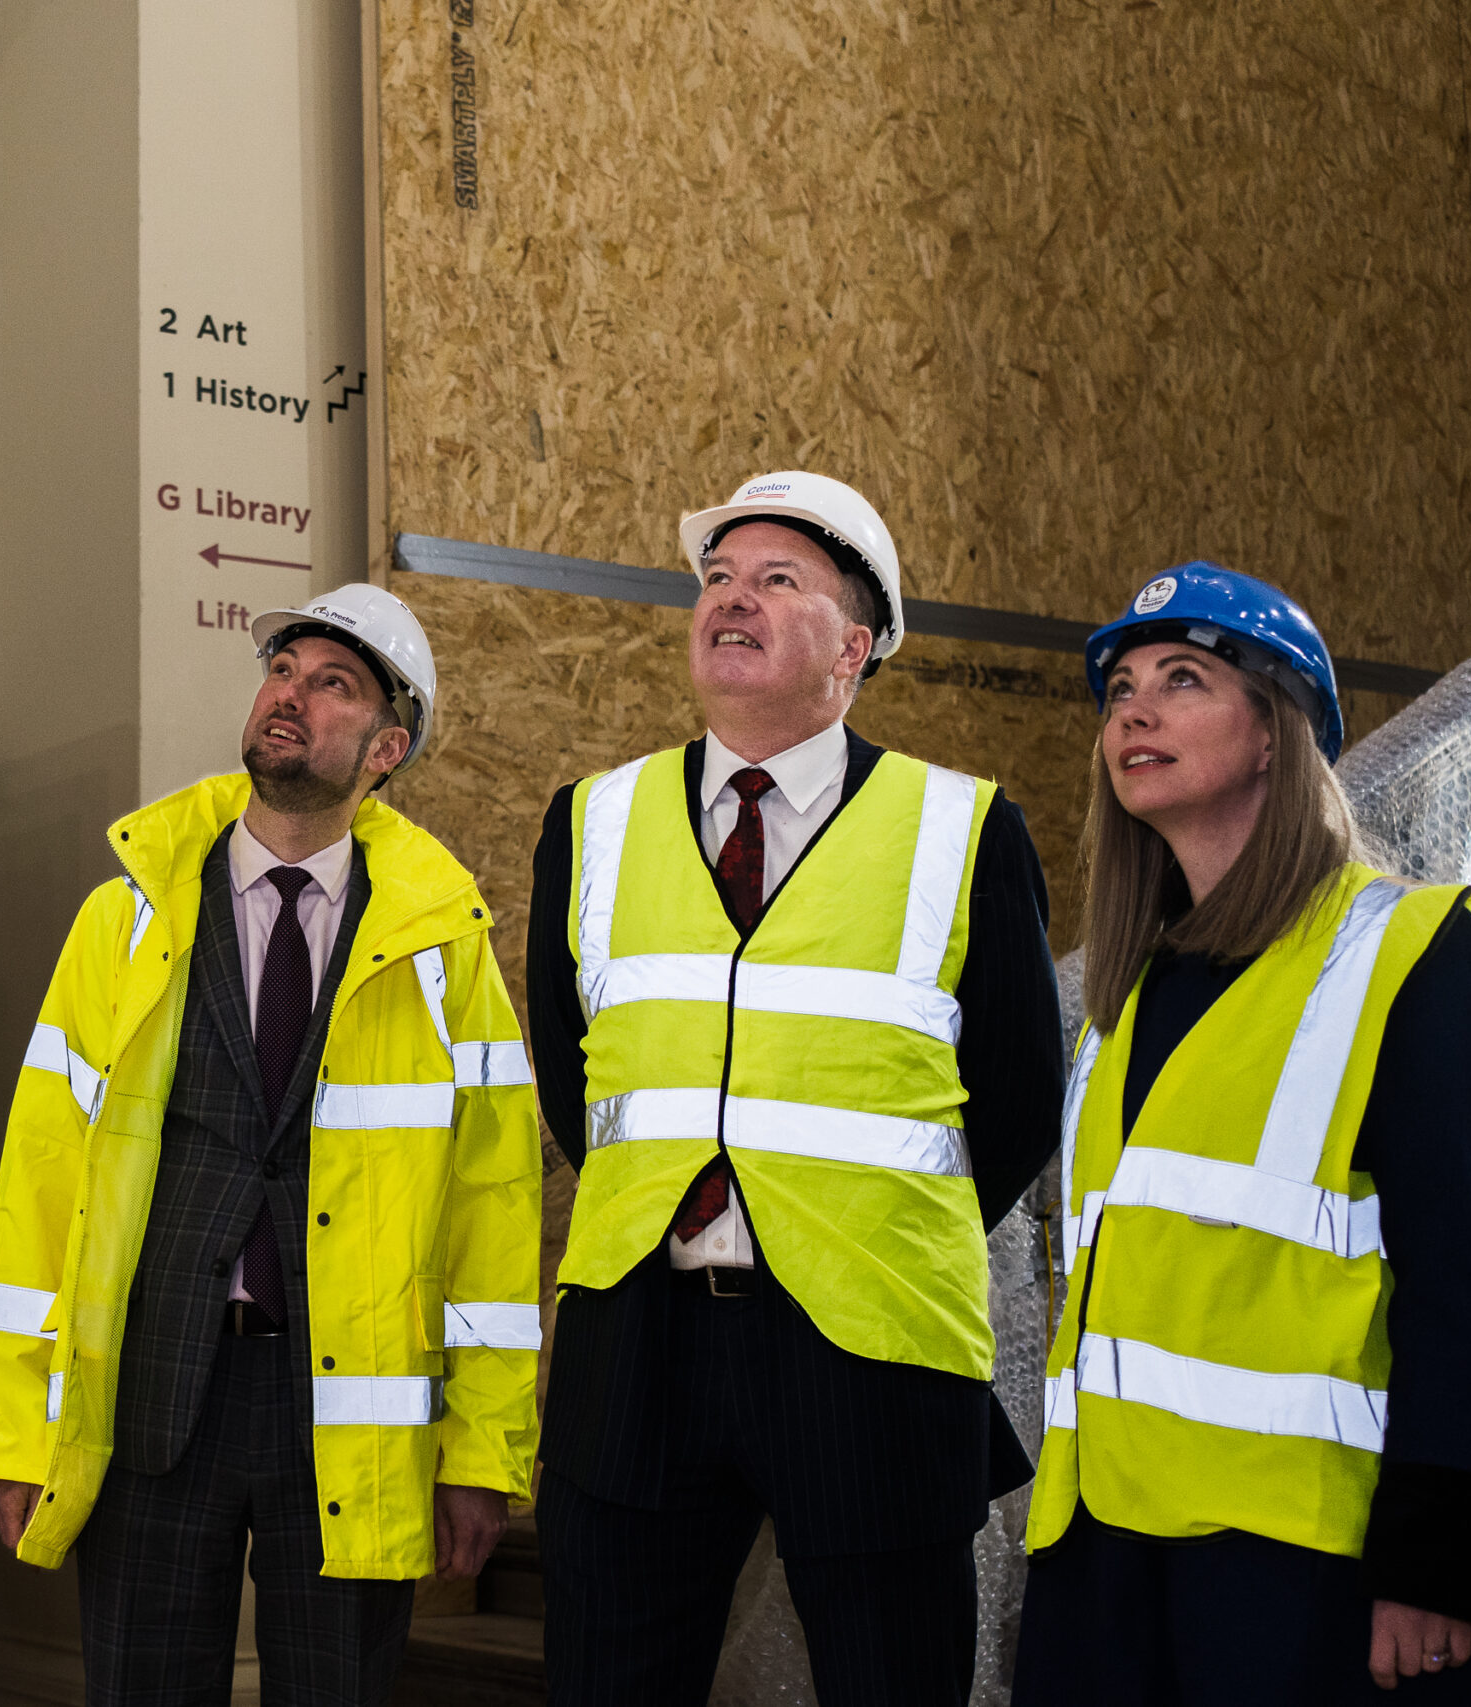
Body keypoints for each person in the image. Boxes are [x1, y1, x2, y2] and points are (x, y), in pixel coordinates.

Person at [527, 472, 1066, 1707]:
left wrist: (855, 1223)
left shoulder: (964, 829)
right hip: (640, 1339)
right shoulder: (589, 820)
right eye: (716, 578)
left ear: (855, 647)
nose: (731, 598)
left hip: (870, 1346)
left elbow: (1020, 1100)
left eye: (777, 580)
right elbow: (580, 1083)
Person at [0, 584, 542, 1707]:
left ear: (386, 748)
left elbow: (492, 1208)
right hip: (152, 1393)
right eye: (284, 670)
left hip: (347, 1415)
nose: (292, 695)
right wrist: (12, 1425)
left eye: (334, 684)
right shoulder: (123, 917)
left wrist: (481, 1450)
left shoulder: (440, 951)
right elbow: (42, 1180)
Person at [1014, 564, 1471, 1704]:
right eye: (1120, 693)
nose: (1133, 712)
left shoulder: (1406, 953)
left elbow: (1462, 1286)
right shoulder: (1130, 995)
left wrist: (1435, 1566)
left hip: (1297, 1568)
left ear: (1272, 735)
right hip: (1107, 1557)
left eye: (1182, 679)